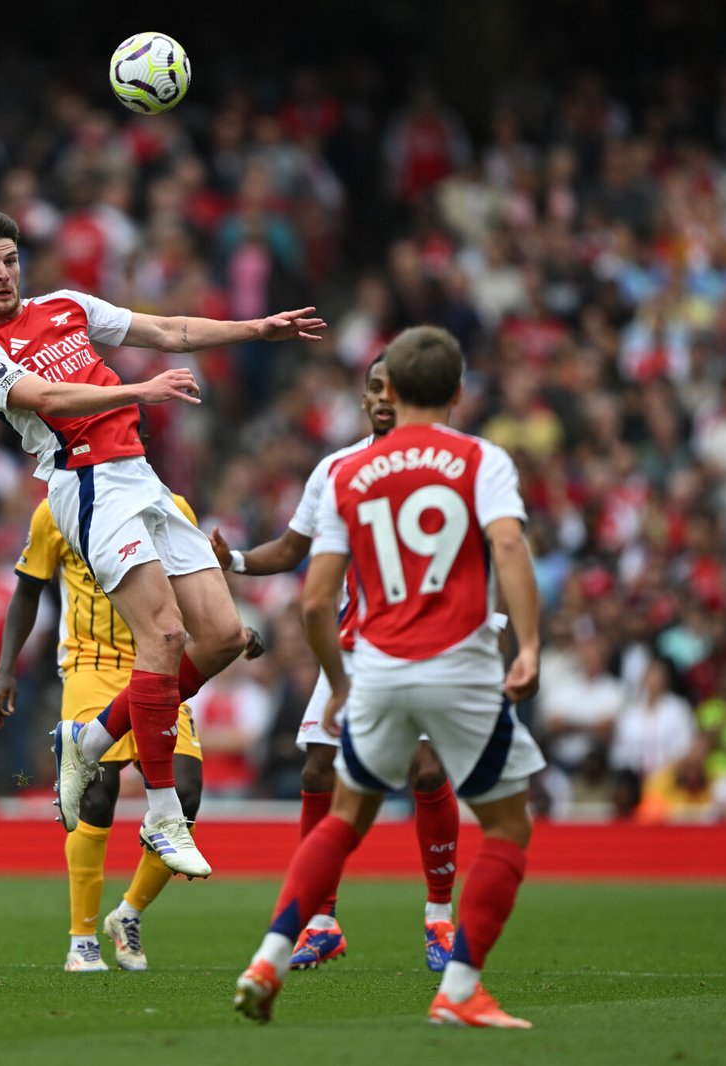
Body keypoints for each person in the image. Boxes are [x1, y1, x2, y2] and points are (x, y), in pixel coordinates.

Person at [0, 207, 324, 879]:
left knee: (224, 637)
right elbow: (46, 398)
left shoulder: (64, 304)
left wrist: (256, 329)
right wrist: (139, 388)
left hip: (140, 476)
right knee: (166, 637)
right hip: (86, 482)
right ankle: (159, 815)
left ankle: (88, 740)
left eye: (8, 259)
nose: (2, 274)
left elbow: (170, 329)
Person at [233, 325, 545, 1029]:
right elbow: (507, 546)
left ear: (391, 392)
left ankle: (268, 958)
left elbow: (316, 599)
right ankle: (461, 990)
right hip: (460, 666)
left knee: (345, 817)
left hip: (375, 665)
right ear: (459, 394)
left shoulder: (349, 474)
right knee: (506, 823)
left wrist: (341, 683)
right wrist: (528, 645)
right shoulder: (480, 459)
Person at [211, 352, 463, 972]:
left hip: (421, 643)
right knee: (319, 769)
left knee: (425, 769)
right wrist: (236, 560)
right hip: (352, 647)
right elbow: (295, 548)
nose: (383, 397)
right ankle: (321, 921)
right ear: (363, 399)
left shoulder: (449, 462)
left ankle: (439, 917)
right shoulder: (335, 469)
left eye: (394, 388)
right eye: (374, 387)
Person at [0, 490, 264, 972]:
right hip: (91, 664)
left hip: (158, 661)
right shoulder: (55, 509)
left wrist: (230, 631)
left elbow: (194, 581)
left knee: (188, 790)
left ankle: (128, 914)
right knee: (97, 795)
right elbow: (28, 589)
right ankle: (82, 940)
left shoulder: (172, 505)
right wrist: (6, 669)